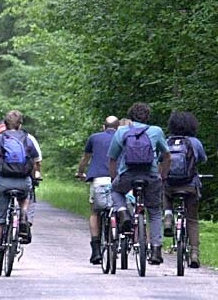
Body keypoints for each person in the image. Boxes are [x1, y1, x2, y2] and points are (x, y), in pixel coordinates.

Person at [107, 102, 171, 265]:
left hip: (128, 175)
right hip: (150, 176)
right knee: (155, 212)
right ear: (148, 116)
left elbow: (113, 158)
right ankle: (156, 249)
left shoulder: (121, 131)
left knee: (115, 191)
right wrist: (162, 176)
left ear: (130, 117)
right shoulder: (156, 131)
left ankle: (123, 212)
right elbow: (167, 155)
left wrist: (114, 178)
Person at [0, 110, 40, 264]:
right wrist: (33, 177)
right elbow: (34, 162)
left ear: (5, 124)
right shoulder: (28, 140)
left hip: (3, 181)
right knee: (26, 196)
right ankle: (23, 215)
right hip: (22, 181)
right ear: (20, 124)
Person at [163, 111, 207, 268]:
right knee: (192, 219)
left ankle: (168, 217)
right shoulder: (195, 142)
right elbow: (202, 159)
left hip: (170, 185)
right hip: (189, 186)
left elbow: (159, 159)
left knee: (165, 194)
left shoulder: (167, 141)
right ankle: (194, 253)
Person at [75, 116, 120, 264]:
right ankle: (119, 237)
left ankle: (95, 250)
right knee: (119, 207)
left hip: (99, 179)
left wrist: (80, 172)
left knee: (95, 212)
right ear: (118, 127)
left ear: (103, 127)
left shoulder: (94, 138)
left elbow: (85, 159)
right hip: (119, 179)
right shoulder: (123, 137)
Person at [0, 119, 43, 227]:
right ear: (20, 125)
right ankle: (26, 219)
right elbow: (37, 162)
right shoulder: (29, 138)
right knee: (29, 195)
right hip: (24, 177)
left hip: (4, 178)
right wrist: (36, 175)